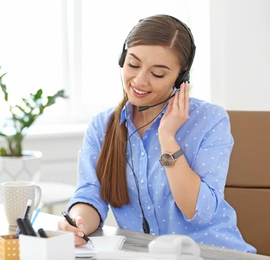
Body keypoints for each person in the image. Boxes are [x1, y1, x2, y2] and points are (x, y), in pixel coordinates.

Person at [58, 14, 256, 253]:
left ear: (181, 78)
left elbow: (198, 211)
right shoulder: (103, 126)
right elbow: (90, 194)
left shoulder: (210, 120)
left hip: (213, 254)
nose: (140, 81)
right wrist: (77, 224)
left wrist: (168, 137)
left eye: (158, 74)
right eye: (133, 65)